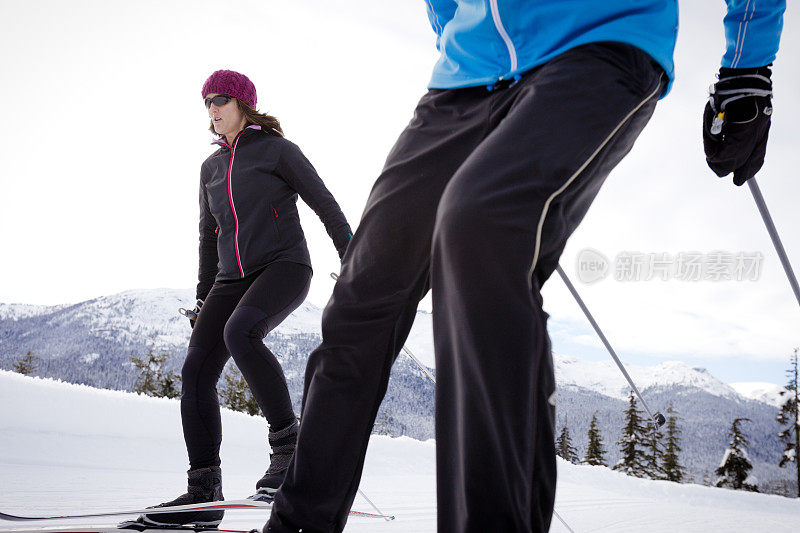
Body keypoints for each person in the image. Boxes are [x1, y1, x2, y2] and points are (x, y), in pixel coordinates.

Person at [266, 1, 785, 532]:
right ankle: (298, 523)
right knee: (364, 289)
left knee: (480, 227)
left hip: (598, 44)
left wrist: (747, 66)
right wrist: (460, 39)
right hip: (464, 78)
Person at [134, 69, 353, 528]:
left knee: (241, 332)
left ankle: (288, 451)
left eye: (220, 100)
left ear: (243, 105)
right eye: (206, 102)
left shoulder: (277, 150)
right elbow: (206, 237)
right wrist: (201, 301)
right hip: (229, 279)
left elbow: (324, 202)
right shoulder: (210, 168)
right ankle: (204, 493)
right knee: (195, 370)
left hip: (284, 266)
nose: (212, 109)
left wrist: (354, 259)